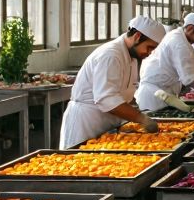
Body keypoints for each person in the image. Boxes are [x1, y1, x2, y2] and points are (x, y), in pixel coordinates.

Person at [59, 14, 167, 148]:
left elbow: (124, 91)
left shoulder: (131, 57)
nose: (150, 53)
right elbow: (106, 98)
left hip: (105, 123)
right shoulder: (111, 55)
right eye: (150, 47)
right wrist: (141, 118)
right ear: (137, 37)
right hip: (86, 122)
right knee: (79, 165)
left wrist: (136, 109)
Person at [137, 13, 194, 111]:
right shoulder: (179, 42)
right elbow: (189, 79)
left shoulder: (179, 37)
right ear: (190, 28)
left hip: (164, 92)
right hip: (156, 94)